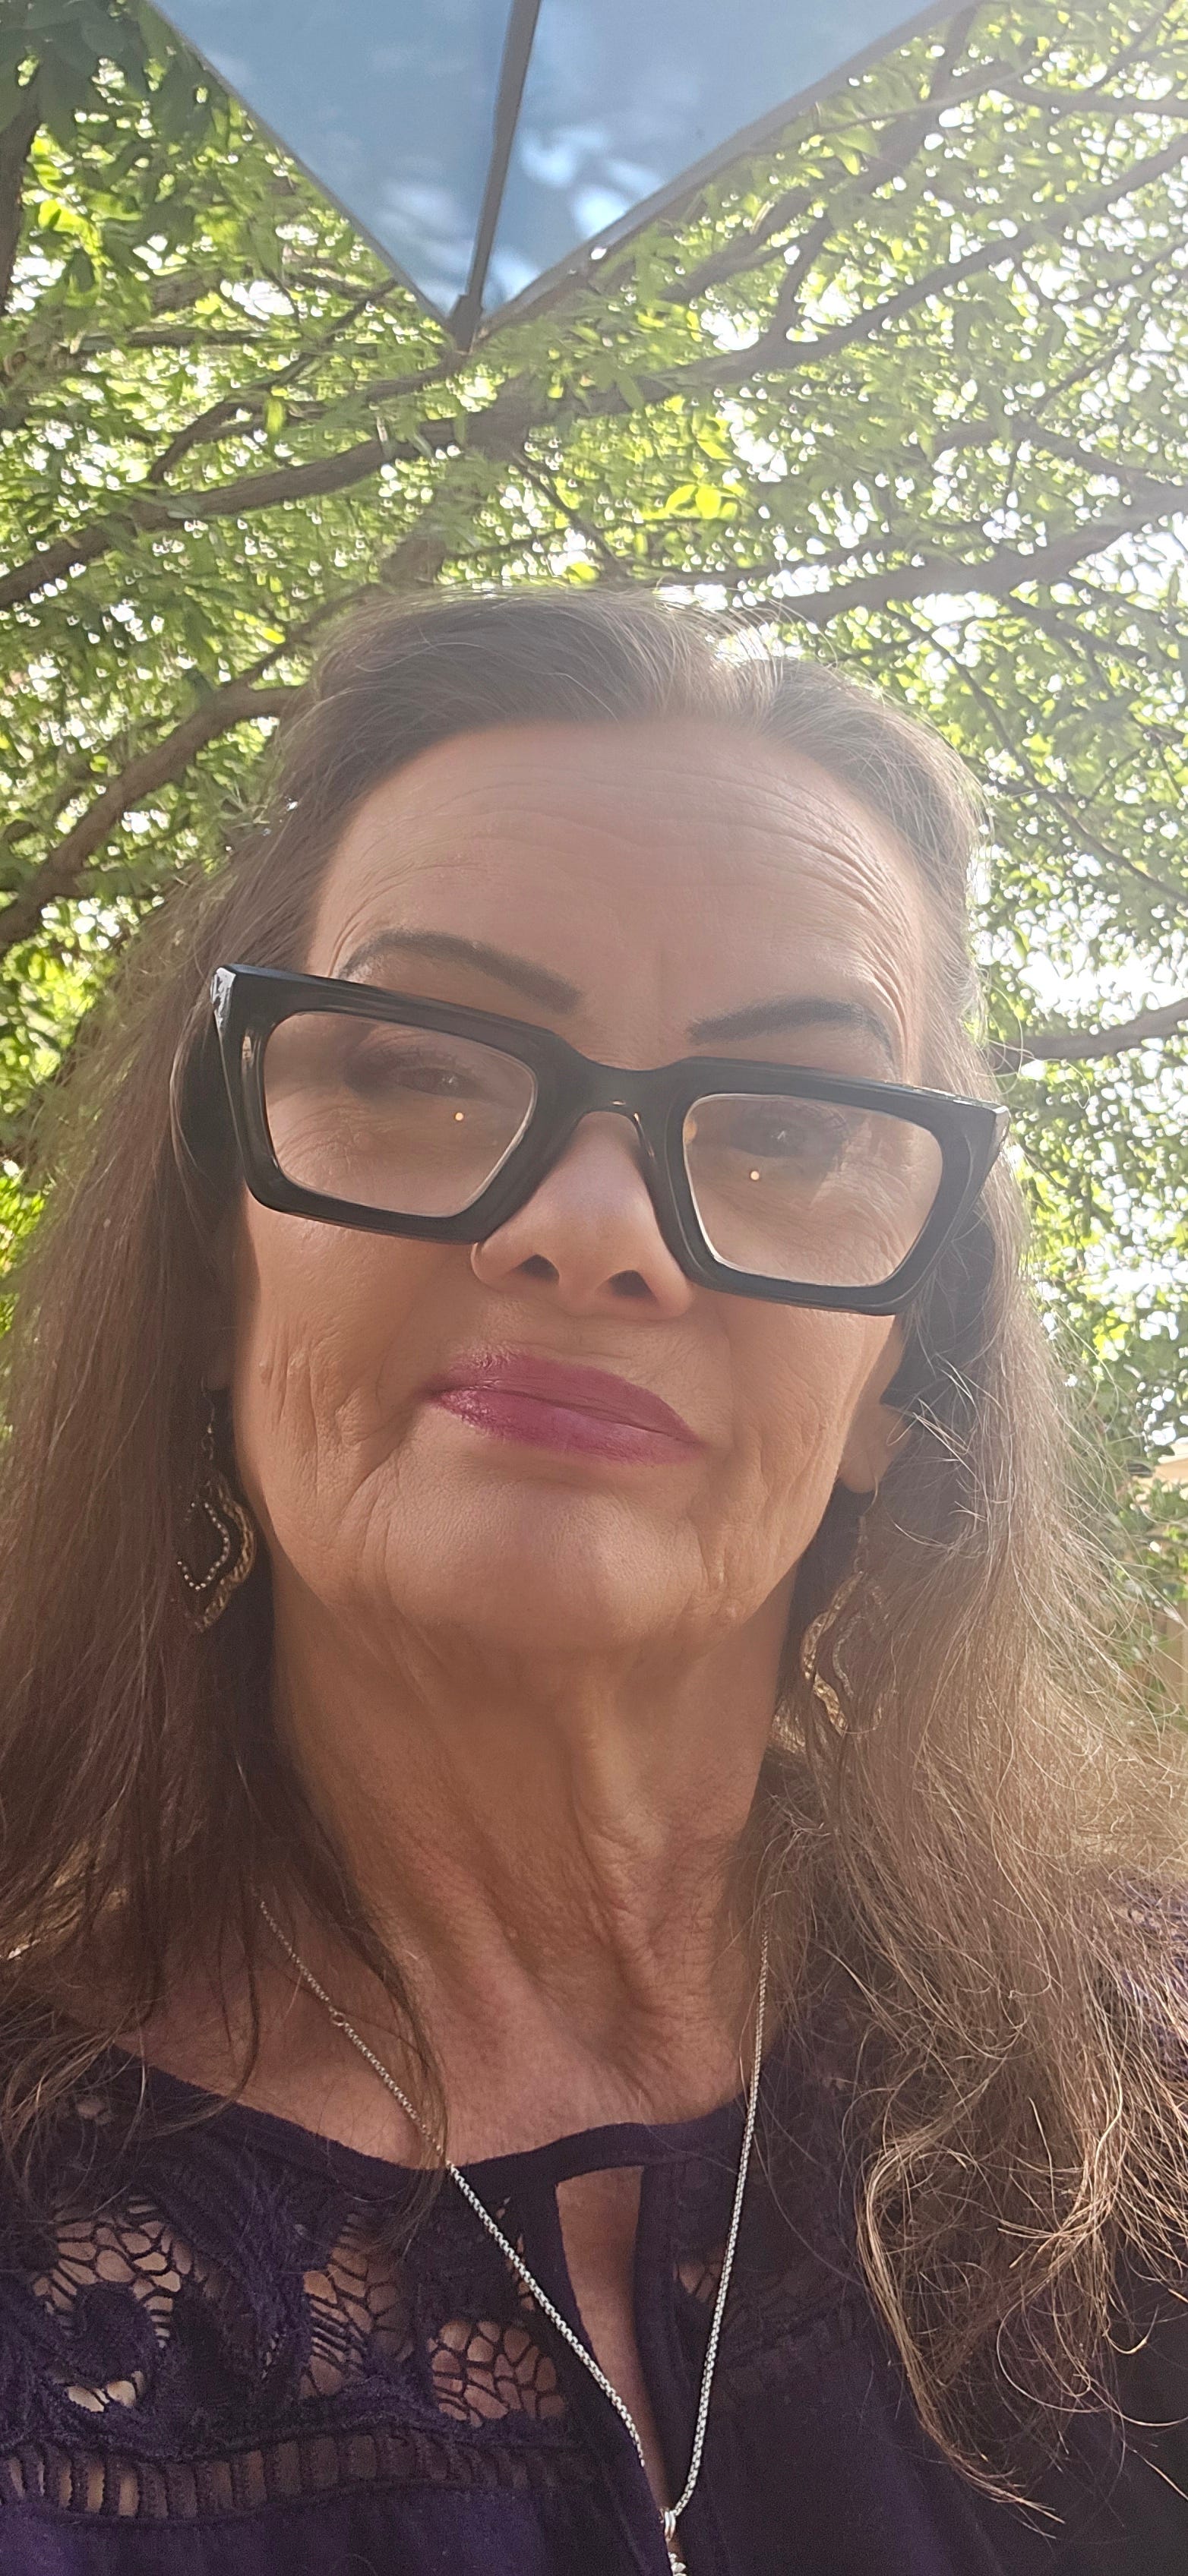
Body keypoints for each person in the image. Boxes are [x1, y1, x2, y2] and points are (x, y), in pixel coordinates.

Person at [0, 587, 1185, 2576]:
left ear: (903, 1367)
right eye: (419, 1066)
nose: (592, 1226)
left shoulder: (1146, 2085)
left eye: (787, 1123)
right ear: (212, 1261)